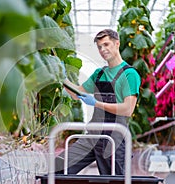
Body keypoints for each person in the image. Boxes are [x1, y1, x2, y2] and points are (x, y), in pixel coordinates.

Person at [56, 29, 141, 175]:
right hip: (93, 135)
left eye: (106, 44)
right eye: (100, 47)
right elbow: (78, 94)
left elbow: (128, 109)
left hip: (115, 138)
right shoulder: (99, 73)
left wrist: (96, 103)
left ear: (117, 44)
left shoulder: (129, 74)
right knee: (58, 167)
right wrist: (62, 78)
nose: (103, 49)